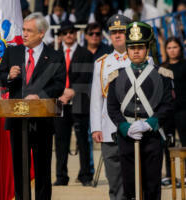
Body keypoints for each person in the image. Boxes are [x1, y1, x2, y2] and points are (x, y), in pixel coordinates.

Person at [0, 13, 66, 200]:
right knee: (19, 169)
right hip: (17, 121)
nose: (24, 34)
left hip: (42, 121)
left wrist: (40, 96)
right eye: (23, 30)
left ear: (41, 33)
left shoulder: (55, 56)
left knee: (43, 169)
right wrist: (9, 76)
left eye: (29, 31)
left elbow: (58, 85)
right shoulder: (12, 52)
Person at [107, 21, 173, 200]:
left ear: (147, 49)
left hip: (151, 136)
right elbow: (112, 107)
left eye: (140, 47)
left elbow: (167, 105)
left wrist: (150, 123)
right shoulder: (116, 76)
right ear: (127, 50)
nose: (136, 51)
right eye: (132, 47)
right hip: (127, 136)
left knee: (152, 186)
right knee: (130, 187)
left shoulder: (162, 75)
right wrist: (123, 127)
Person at [90, 14, 131, 200]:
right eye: (114, 32)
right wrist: (96, 127)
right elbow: (97, 99)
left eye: (121, 31)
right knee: (114, 178)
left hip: (134, 125)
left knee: (134, 176)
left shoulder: (142, 59)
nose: (117, 35)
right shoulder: (102, 63)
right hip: (110, 128)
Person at [53, 21, 94, 186]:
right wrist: (61, 92)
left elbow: (87, 77)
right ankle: (61, 177)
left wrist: (72, 91)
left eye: (71, 32)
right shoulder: (54, 54)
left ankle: (85, 175)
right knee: (60, 141)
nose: (68, 35)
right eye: (65, 32)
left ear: (76, 33)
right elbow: (51, 78)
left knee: (82, 140)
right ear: (61, 35)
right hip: (59, 101)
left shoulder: (85, 53)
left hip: (79, 101)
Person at [160, 37, 186, 187]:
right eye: (169, 47)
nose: (172, 50)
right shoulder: (163, 67)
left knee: (185, 142)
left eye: (175, 47)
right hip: (168, 113)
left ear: (180, 49)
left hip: (183, 111)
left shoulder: (184, 65)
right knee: (167, 144)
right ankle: (170, 175)